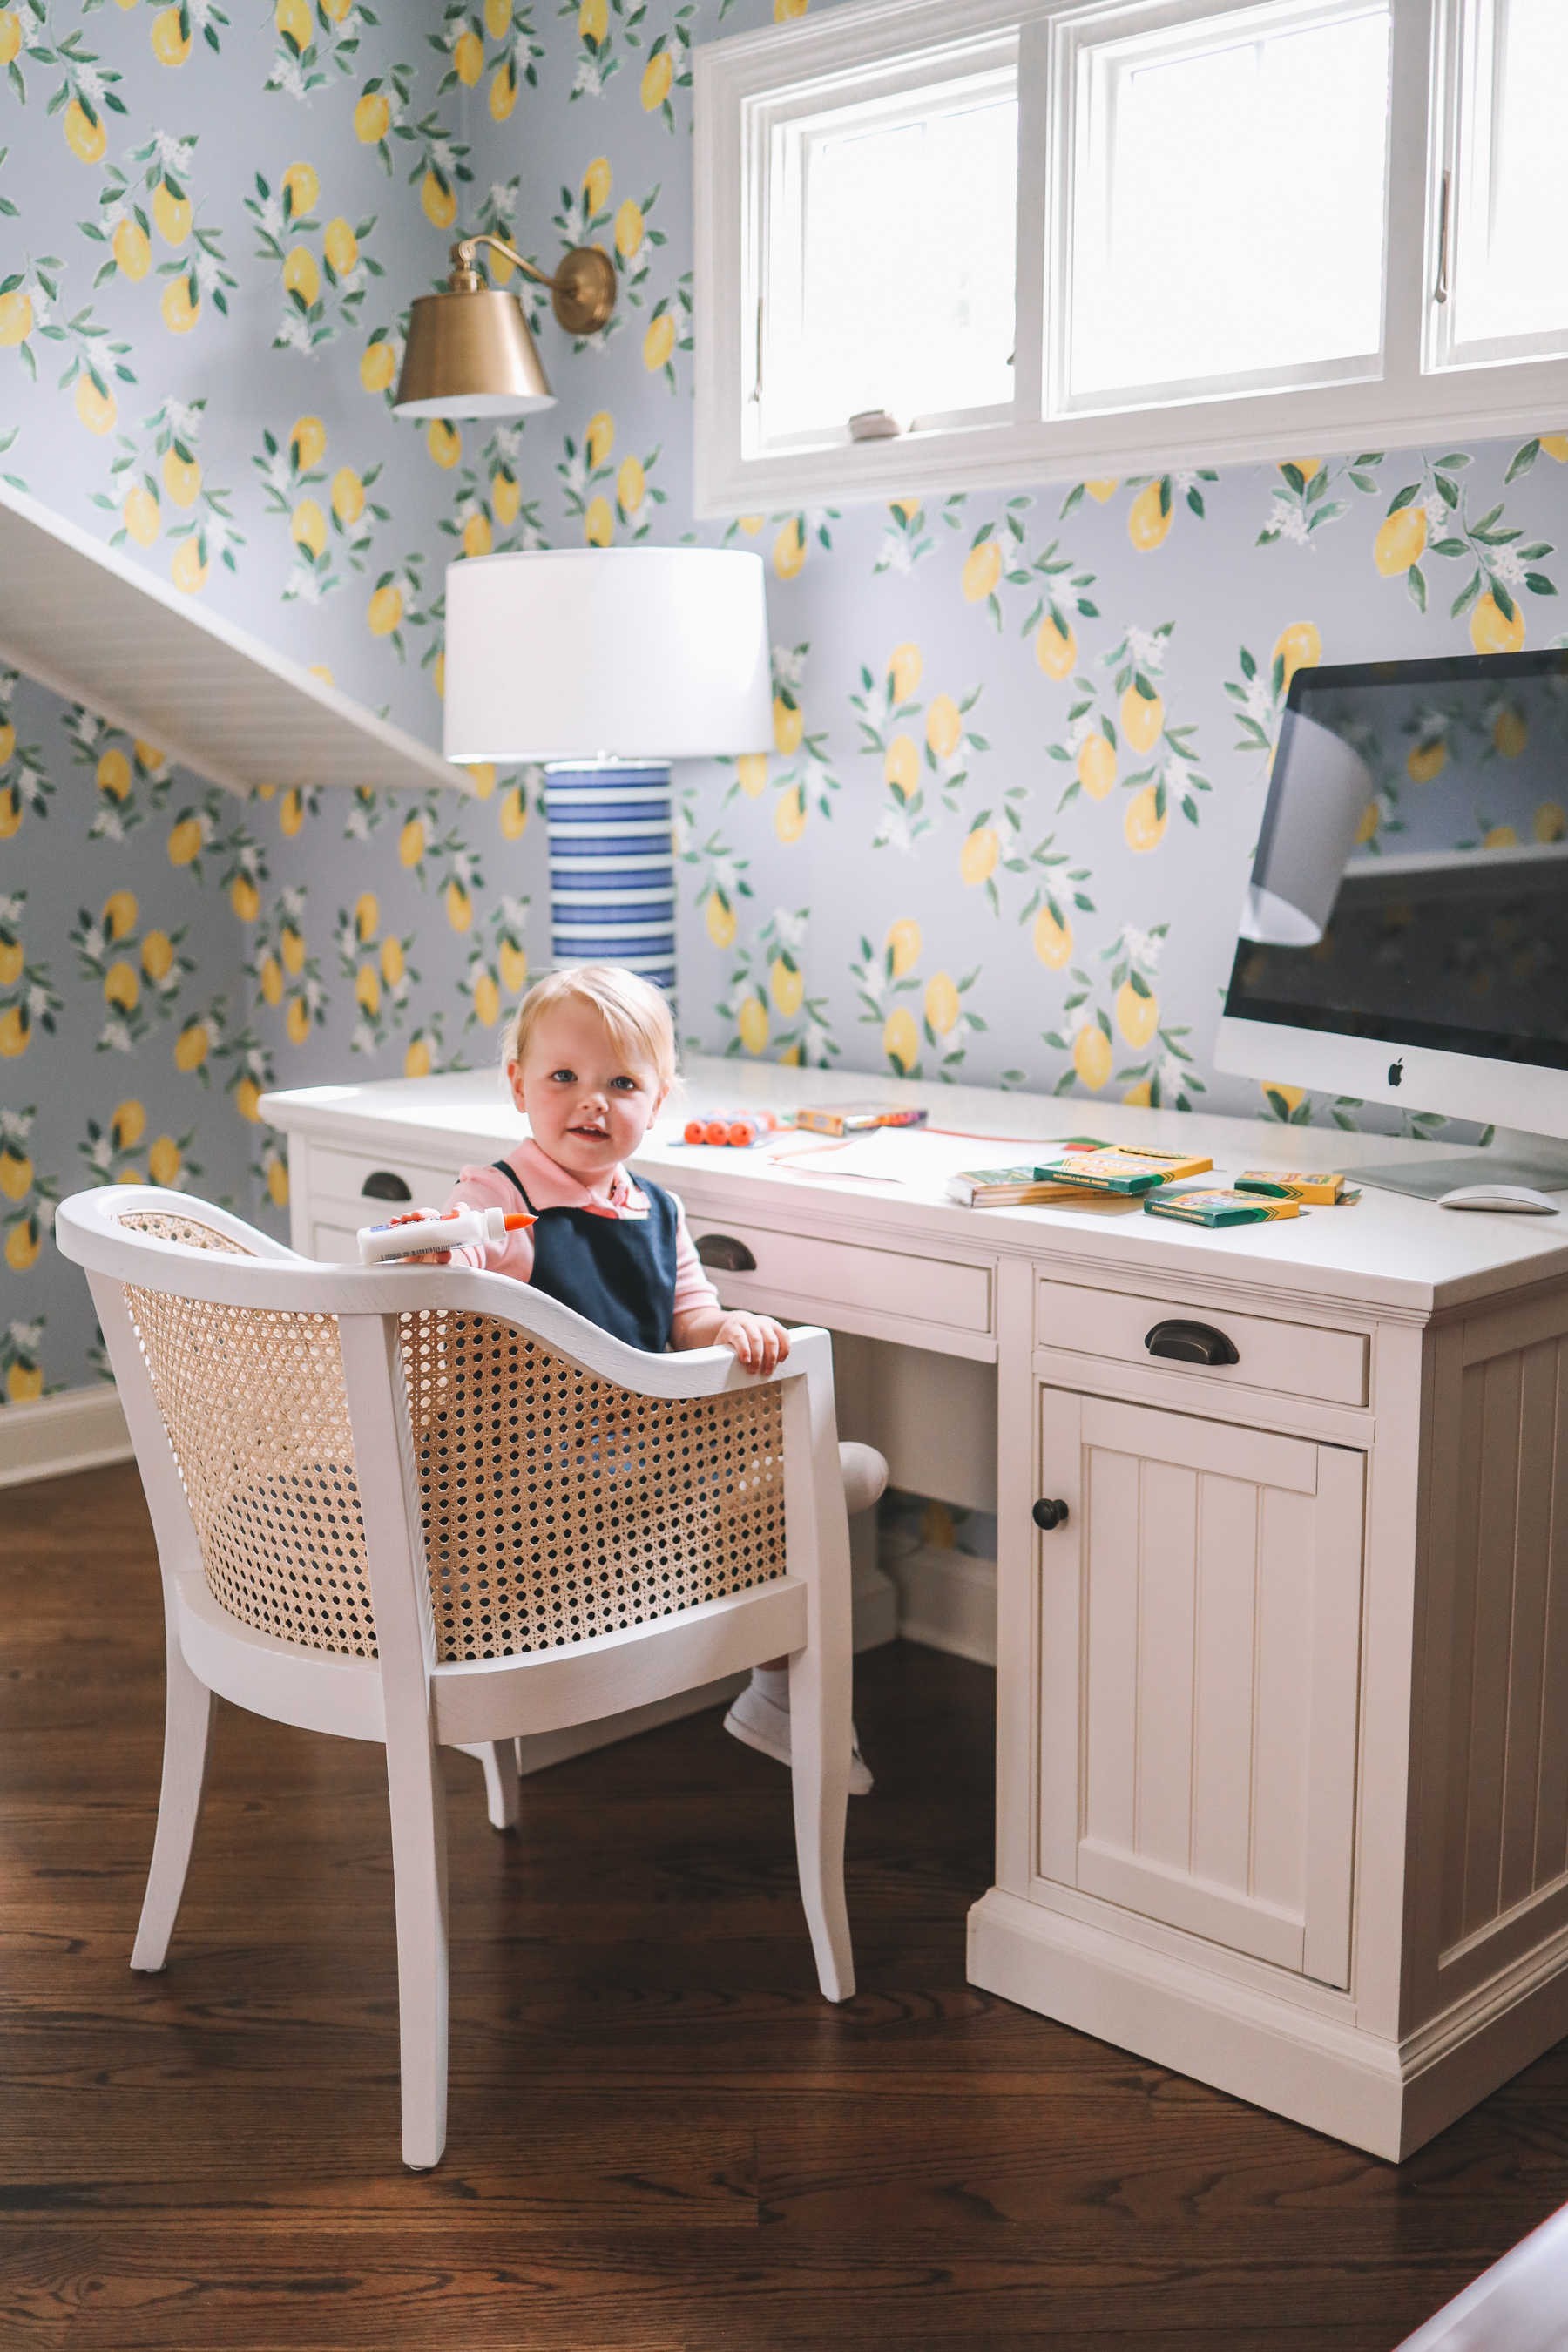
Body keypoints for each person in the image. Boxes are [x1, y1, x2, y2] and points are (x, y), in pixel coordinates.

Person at [402, 963, 881, 1794]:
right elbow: (461, 1253)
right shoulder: (502, 1198)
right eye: (564, 1077)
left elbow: (688, 1317)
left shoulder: (657, 1208)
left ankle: (773, 1689)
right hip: (523, 1478)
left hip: (632, 1453)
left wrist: (732, 1324)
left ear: (656, 1103)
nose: (592, 1101)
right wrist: (437, 1244)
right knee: (820, 1483)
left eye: (621, 1082)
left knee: (839, 1468)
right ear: (519, 1086)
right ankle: (773, 1686)